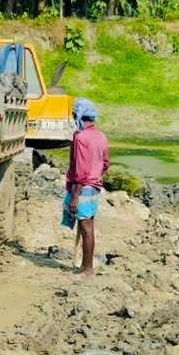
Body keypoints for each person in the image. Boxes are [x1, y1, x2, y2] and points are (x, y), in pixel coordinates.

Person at [63, 97, 109, 278]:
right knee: (87, 224)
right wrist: (96, 176)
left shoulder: (81, 138)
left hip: (82, 188)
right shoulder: (101, 136)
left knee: (86, 228)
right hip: (93, 186)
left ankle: (88, 269)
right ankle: (84, 265)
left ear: (78, 116)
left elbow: (80, 170)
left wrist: (76, 195)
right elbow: (105, 163)